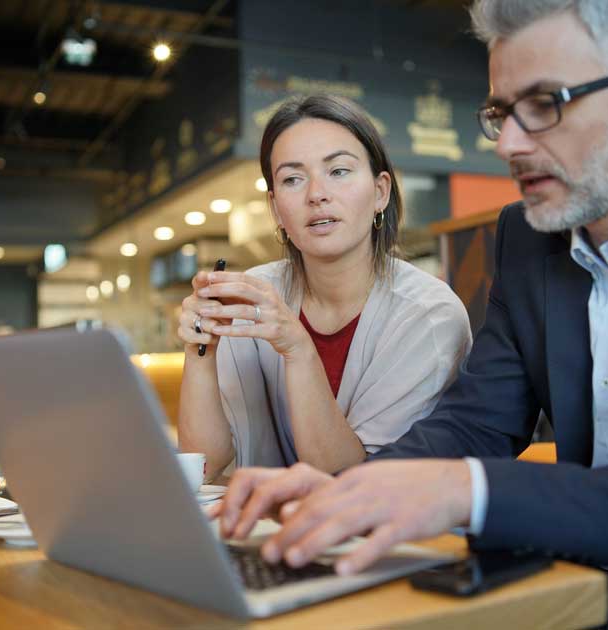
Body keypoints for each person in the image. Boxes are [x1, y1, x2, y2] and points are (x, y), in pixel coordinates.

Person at [212, 1, 608, 627]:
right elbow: (477, 421)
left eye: (544, 105)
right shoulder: (529, 235)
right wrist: (351, 490)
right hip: (592, 542)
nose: (509, 144)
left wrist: (466, 491)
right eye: (500, 113)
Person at [177, 95, 472, 480]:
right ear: (276, 209)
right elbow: (203, 464)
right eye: (292, 179)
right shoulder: (253, 298)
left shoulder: (428, 316)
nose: (316, 194)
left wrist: (297, 347)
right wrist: (200, 351)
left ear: (381, 191)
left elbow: (346, 478)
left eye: (339, 171)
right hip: (261, 535)